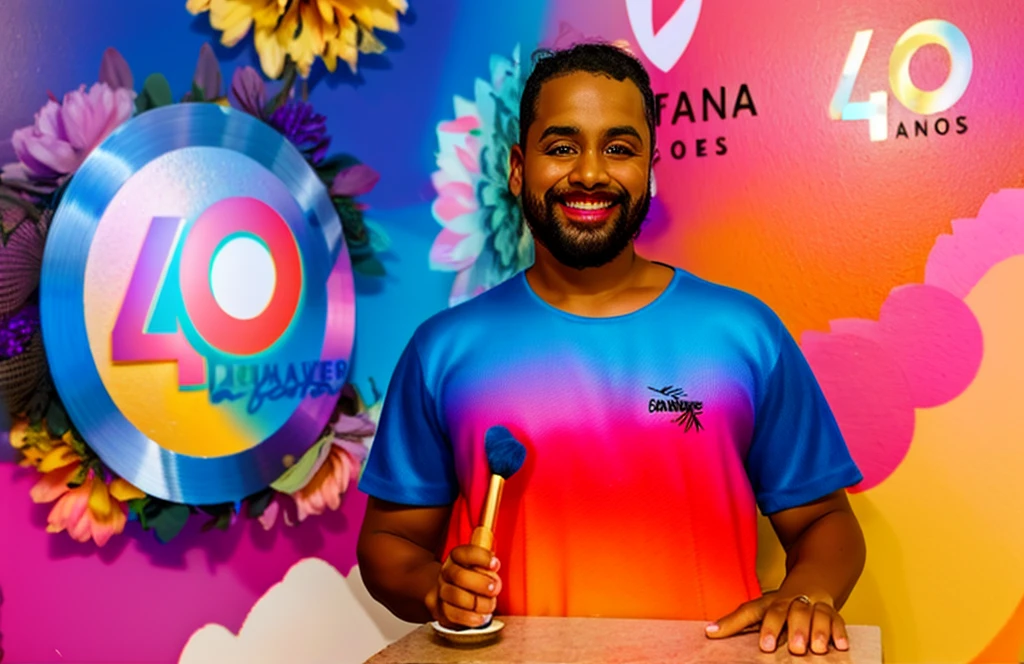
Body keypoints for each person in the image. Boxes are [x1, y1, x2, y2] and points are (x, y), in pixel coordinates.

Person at [357, 42, 866, 657]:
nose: (591, 172)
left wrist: (807, 591)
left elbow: (825, 522)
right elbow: (389, 544)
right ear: (519, 168)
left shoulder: (743, 333)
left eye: (619, 148)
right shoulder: (443, 349)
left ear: (650, 169)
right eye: (562, 146)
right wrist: (436, 587)